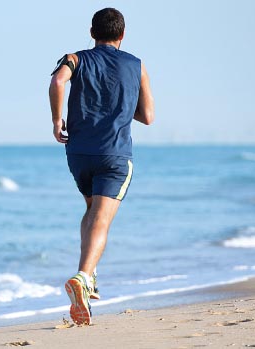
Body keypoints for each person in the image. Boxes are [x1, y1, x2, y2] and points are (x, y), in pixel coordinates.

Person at [48, 7, 155, 325]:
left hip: (79, 153)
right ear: (122, 35)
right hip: (115, 155)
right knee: (102, 219)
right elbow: (148, 116)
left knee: (92, 209)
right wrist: (120, 110)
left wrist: (56, 121)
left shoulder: (76, 58)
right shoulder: (136, 65)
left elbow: (57, 82)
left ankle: (89, 277)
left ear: (92, 33)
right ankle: (82, 276)